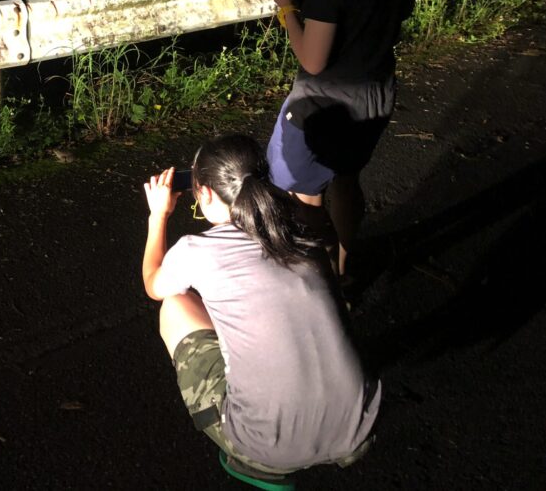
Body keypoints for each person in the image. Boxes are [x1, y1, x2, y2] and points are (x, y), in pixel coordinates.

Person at [141, 134, 380, 477]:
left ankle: (255, 465)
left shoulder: (196, 252)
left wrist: (158, 216)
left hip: (267, 448)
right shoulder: (304, 224)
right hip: (357, 431)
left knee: (175, 305)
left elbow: (153, 285)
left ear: (204, 193)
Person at [267, 0, 421, 277]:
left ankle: (318, 285)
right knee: (347, 181)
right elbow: (394, 6)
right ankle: (344, 271)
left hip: (324, 105)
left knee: (306, 195)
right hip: (376, 94)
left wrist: (287, 8)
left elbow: (312, 60)